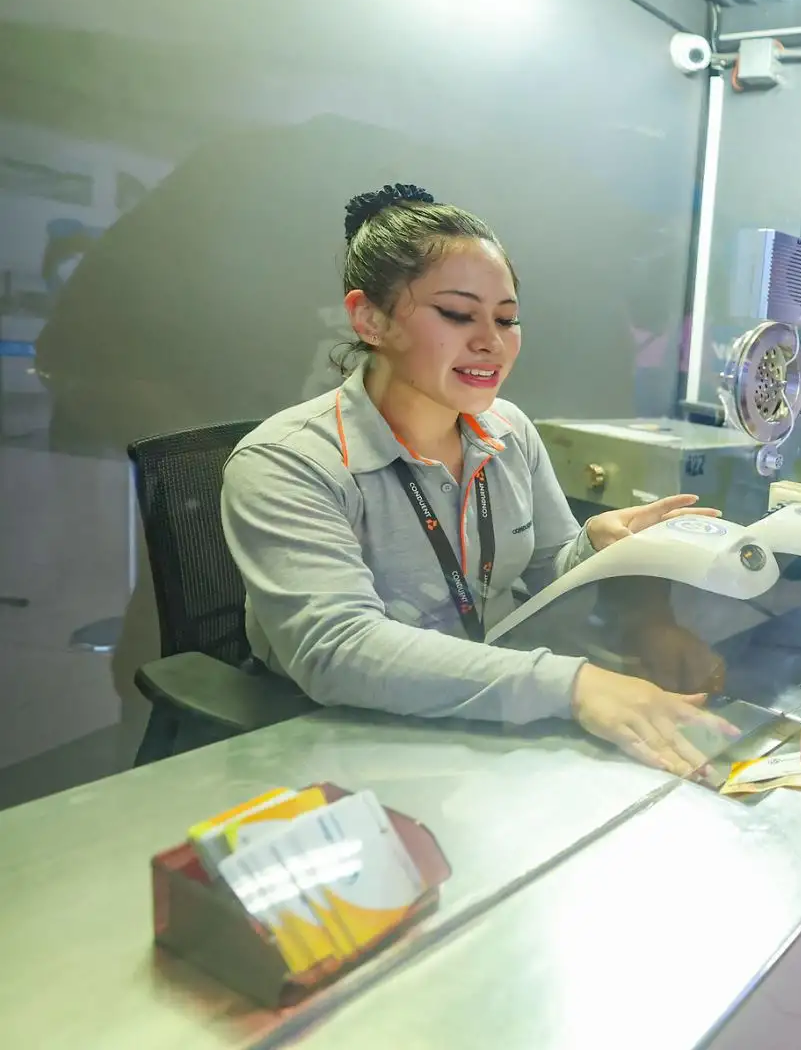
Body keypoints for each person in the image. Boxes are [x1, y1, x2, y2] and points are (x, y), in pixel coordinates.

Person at [223, 183, 735, 776]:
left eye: (507, 318)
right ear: (370, 318)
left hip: (491, 717)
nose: (491, 341)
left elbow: (544, 579)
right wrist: (574, 686)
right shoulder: (285, 462)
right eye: (458, 314)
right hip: (342, 739)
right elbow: (337, 650)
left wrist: (593, 549)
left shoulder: (508, 430)